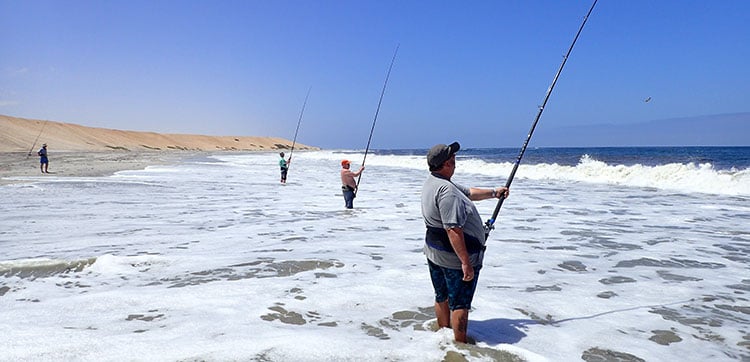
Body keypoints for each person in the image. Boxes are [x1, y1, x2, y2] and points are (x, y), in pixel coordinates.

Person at [421, 141, 509, 343]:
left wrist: (495, 193)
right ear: (446, 164)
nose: (455, 159)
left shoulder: (433, 181)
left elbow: (469, 192)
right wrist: (466, 263)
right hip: (453, 257)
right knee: (460, 304)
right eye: (451, 157)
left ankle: (443, 335)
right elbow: (453, 230)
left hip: (435, 252)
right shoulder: (447, 192)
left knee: (441, 295)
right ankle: (459, 346)